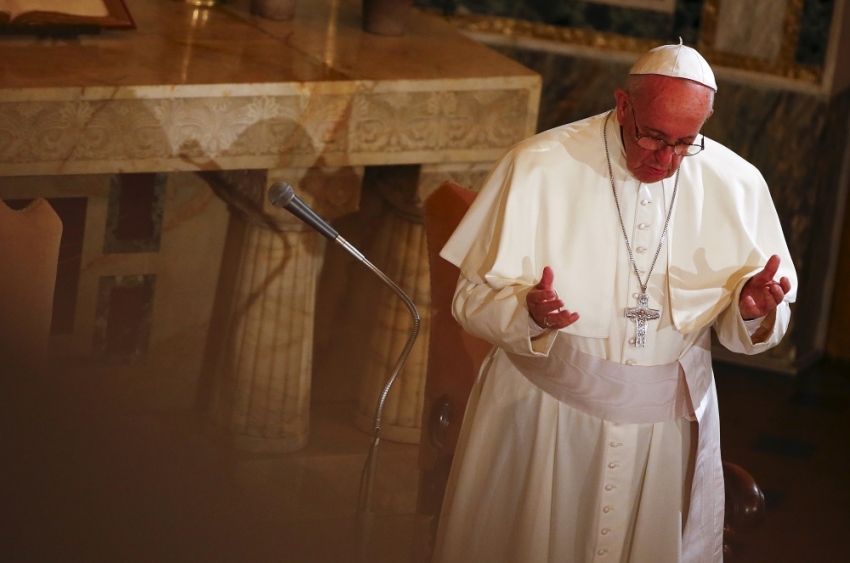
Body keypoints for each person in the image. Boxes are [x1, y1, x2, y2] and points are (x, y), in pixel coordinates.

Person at [433, 42, 796, 563]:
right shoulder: (538, 165)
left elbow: (758, 325)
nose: (665, 159)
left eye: (684, 142)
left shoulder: (738, 184)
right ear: (623, 105)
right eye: (651, 136)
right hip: (544, 420)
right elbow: (469, 301)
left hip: (664, 437)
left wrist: (751, 309)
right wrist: (526, 314)